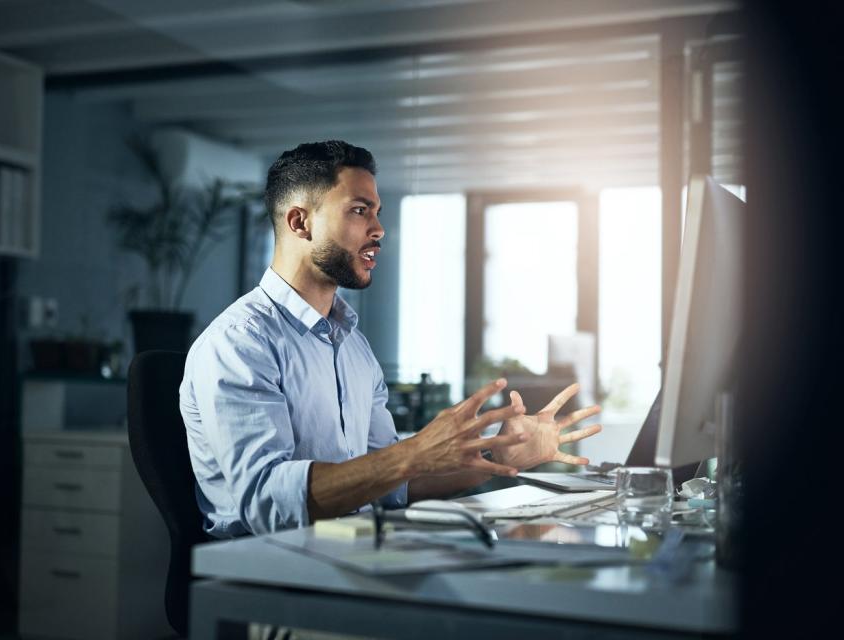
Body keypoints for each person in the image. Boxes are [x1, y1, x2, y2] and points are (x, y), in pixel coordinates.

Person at [179, 140, 602, 539]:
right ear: (299, 222)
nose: (380, 229)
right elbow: (267, 502)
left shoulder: (353, 348)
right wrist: (413, 451)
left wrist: (497, 460)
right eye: (360, 210)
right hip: (269, 571)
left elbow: (390, 486)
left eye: (377, 212)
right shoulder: (239, 344)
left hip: (351, 548)